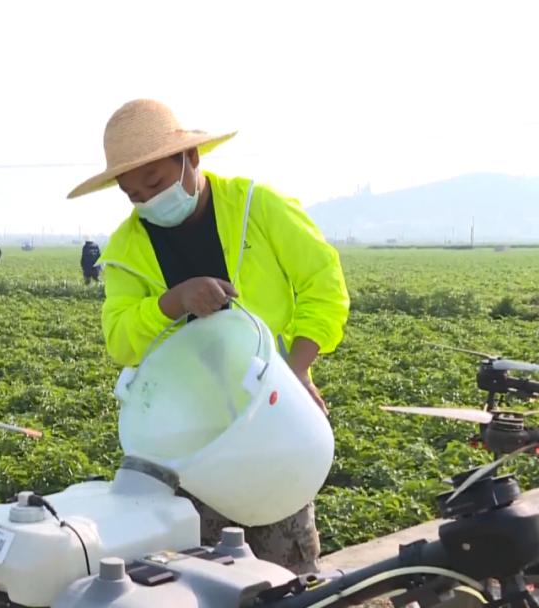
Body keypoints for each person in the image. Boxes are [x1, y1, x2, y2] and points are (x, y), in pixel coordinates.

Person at [67, 99, 350, 575]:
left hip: (270, 415)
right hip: (188, 435)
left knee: (286, 567)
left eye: (155, 184)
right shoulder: (127, 249)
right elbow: (120, 338)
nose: (147, 201)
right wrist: (173, 301)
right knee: (204, 575)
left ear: (191, 158)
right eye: (133, 194)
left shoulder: (256, 207)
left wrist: (298, 368)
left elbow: (323, 285)